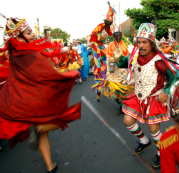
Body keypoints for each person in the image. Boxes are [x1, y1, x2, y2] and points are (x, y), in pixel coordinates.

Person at [0, 17, 81, 173]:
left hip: (23, 101)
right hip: (36, 99)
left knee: (44, 134)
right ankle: (36, 131)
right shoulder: (29, 53)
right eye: (29, 32)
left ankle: (50, 166)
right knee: (60, 120)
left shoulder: (15, 54)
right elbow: (47, 74)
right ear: (17, 38)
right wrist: (69, 75)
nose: (34, 35)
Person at [119, 23, 179, 169]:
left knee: (154, 129)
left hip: (155, 97)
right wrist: (117, 58)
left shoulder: (159, 61)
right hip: (138, 96)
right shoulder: (134, 55)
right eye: (139, 42)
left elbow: (176, 77)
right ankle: (144, 140)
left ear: (152, 44)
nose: (140, 45)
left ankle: (162, 152)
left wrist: (166, 93)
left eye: (144, 42)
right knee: (128, 121)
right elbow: (124, 63)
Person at [93, 23, 134, 112]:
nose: (118, 36)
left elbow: (130, 57)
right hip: (114, 71)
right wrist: (111, 64)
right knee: (114, 89)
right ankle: (122, 104)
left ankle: (124, 105)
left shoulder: (127, 44)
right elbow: (108, 57)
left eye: (119, 34)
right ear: (114, 36)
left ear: (121, 35)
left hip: (124, 70)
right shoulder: (111, 45)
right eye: (116, 35)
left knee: (124, 89)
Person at [90, 1, 115, 101]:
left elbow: (111, 34)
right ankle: (98, 68)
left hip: (100, 44)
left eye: (110, 23)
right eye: (108, 22)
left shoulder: (107, 28)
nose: (109, 24)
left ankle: (108, 66)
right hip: (94, 42)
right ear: (106, 21)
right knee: (98, 54)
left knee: (108, 53)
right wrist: (101, 36)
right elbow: (93, 33)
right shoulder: (101, 25)